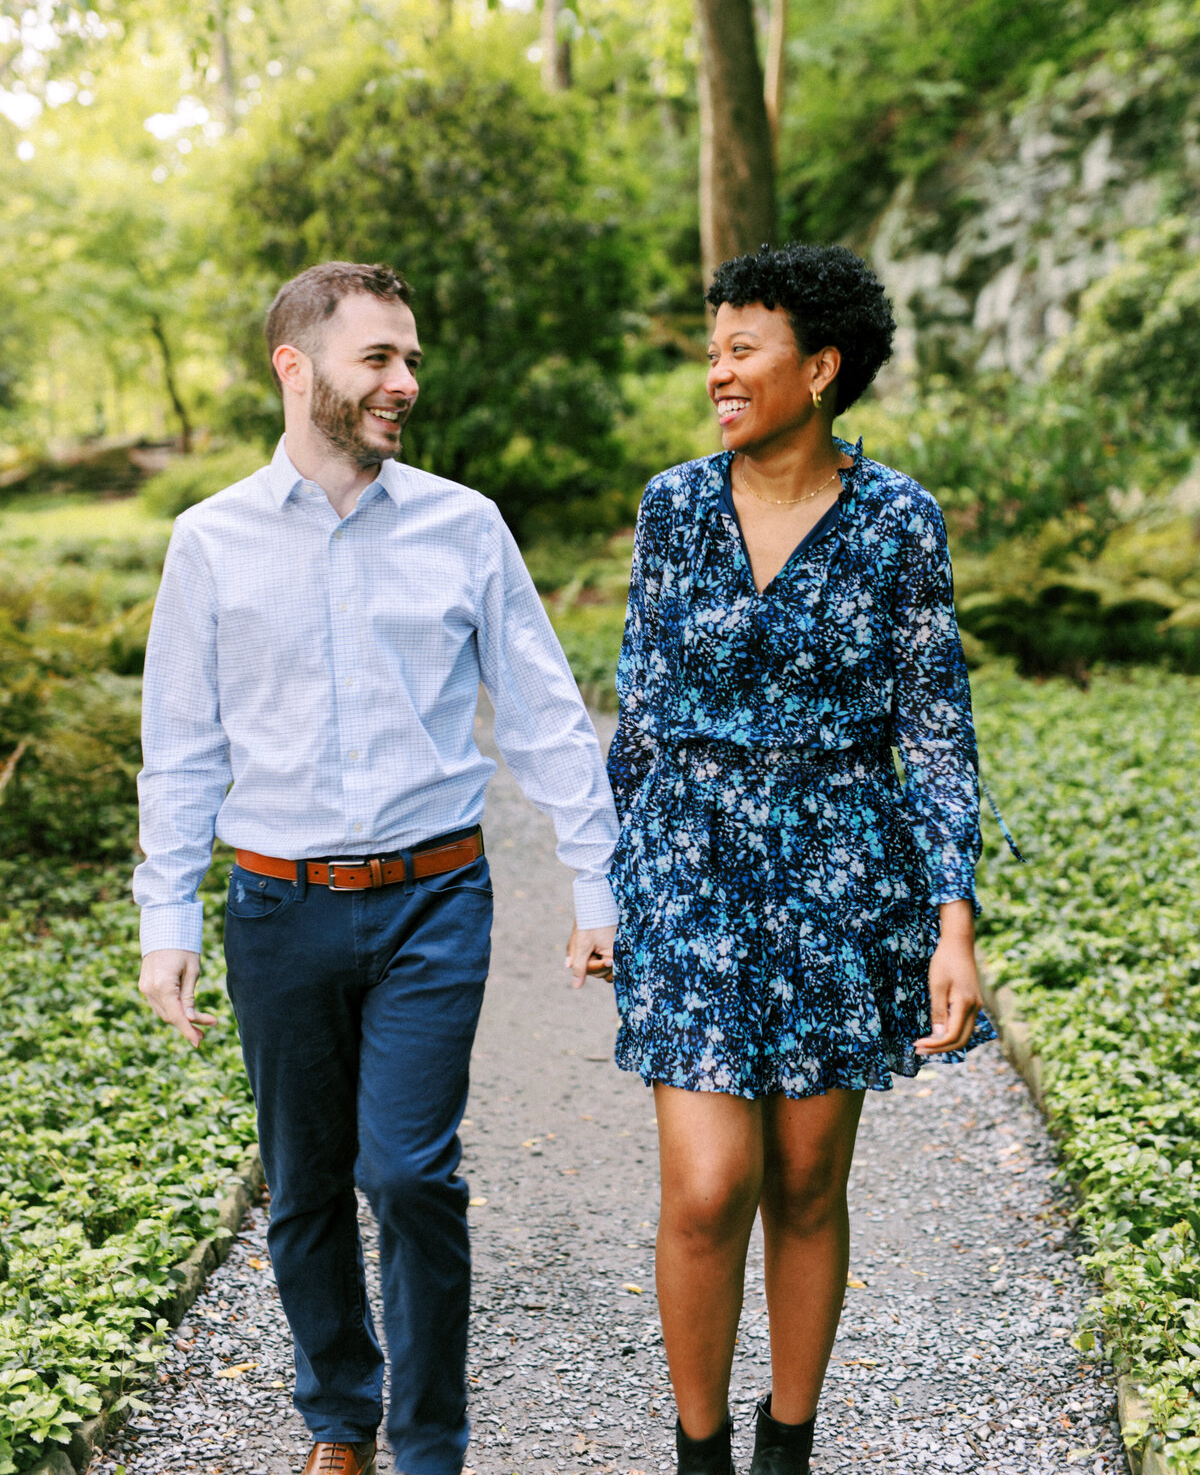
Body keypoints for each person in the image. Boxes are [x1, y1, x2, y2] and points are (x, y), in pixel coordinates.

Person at [135, 261, 619, 1475]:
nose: (405, 382)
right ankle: (340, 1419)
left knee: (407, 1173)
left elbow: (549, 712)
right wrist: (166, 916)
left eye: (410, 359)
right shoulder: (209, 543)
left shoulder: (464, 524)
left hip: (433, 898)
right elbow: (182, 748)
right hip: (277, 907)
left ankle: (429, 1445)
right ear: (295, 368)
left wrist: (595, 883)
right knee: (301, 1189)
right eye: (378, 359)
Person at [605, 242, 997, 1475]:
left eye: (743, 348)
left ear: (820, 368)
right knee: (713, 1184)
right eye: (712, 347)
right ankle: (700, 1451)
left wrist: (954, 920)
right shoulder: (673, 506)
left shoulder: (898, 523)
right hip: (693, 865)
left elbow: (934, 724)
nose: (717, 371)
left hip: (841, 868)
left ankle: (788, 1445)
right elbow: (643, 704)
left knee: (809, 1176)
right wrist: (607, 884)